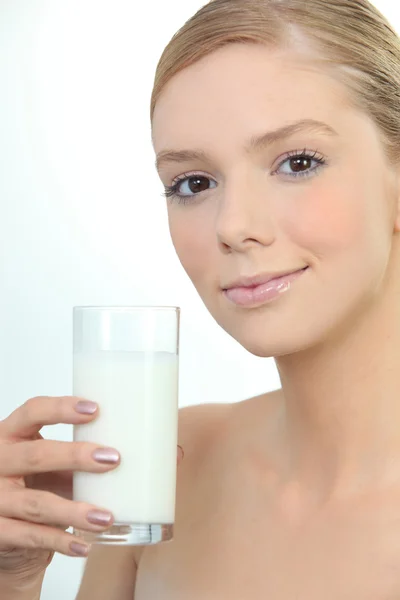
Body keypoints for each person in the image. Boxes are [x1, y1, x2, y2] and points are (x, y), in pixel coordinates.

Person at [2, 0, 400, 597]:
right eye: (194, 183)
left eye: (297, 162)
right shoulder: (166, 474)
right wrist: (15, 575)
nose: (233, 224)